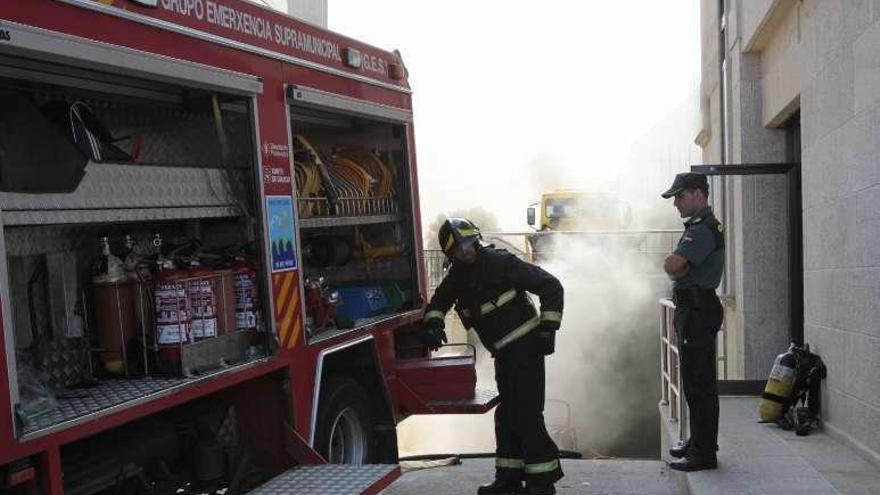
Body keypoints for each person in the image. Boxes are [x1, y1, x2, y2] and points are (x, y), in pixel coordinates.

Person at [422, 218, 565, 495]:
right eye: (458, 250)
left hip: (526, 350)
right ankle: (508, 478)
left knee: (526, 415)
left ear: (475, 240)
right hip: (504, 355)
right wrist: (433, 324)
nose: (465, 251)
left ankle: (542, 483)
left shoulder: (501, 263)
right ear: (451, 256)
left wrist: (548, 329)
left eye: (467, 244)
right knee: (507, 414)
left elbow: (551, 286)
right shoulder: (458, 276)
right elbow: (438, 302)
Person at [661, 173, 725, 472]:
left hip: (698, 310)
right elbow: (677, 268)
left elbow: (673, 266)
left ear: (698, 193)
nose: (675, 202)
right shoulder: (699, 227)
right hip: (696, 308)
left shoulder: (701, 229)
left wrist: (674, 264)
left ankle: (703, 452)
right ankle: (699, 441)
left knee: (699, 383)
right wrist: (677, 267)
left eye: (679, 196)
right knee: (694, 380)